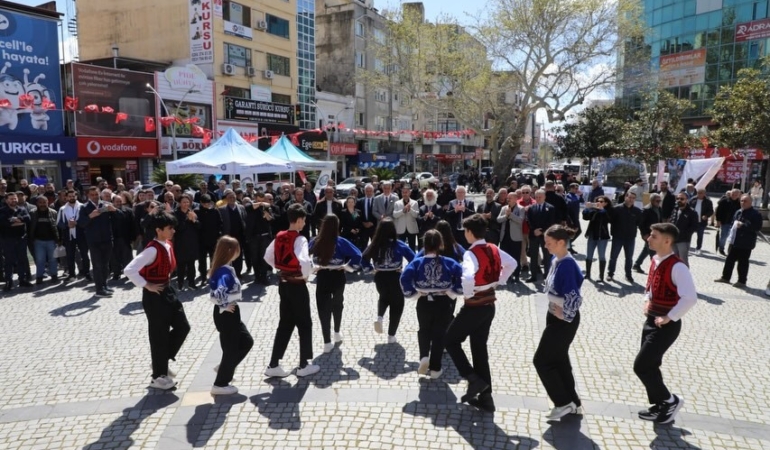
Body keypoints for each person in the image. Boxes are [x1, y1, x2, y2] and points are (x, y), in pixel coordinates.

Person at [445, 214, 516, 413]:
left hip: (475, 306)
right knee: (479, 349)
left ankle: (472, 378)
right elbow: (512, 264)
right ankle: (487, 399)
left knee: (450, 340)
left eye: (465, 231)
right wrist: (498, 281)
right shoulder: (493, 248)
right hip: (489, 305)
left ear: (469, 232)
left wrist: (469, 293)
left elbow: (467, 276)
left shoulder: (470, 253)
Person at [634, 223, 697, 424]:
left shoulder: (678, 267)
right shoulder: (654, 259)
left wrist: (670, 316)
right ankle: (660, 406)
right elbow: (650, 285)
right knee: (651, 365)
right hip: (651, 320)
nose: (648, 238)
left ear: (667, 241)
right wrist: (647, 301)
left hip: (666, 326)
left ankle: (670, 401)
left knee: (641, 366)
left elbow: (690, 297)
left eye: (653, 236)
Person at [124, 211, 191, 390]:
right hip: (154, 295)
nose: (173, 231)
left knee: (183, 326)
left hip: (168, 290)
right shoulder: (152, 249)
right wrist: (146, 285)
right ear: (159, 230)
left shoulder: (168, 244)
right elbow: (130, 269)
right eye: (170, 228)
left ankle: (160, 362)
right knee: (159, 335)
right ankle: (158, 376)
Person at [533, 225, 584, 419]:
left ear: (561, 243)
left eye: (549, 243)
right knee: (560, 360)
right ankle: (574, 402)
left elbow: (575, 296)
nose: (546, 246)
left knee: (541, 361)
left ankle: (563, 402)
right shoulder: (557, 259)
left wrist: (565, 314)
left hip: (563, 320)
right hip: (554, 315)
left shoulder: (568, 264)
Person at [263, 204, 318, 378]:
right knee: (304, 323)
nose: (304, 223)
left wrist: (281, 270)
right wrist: (305, 275)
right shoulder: (300, 239)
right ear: (300, 219)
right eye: (304, 220)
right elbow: (304, 261)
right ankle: (303, 365)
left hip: (283, 285)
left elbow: (267, 255)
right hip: (296, 285)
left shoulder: (279, 236)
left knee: (285, 323)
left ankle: (273, 364)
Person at [400, 229, 463, 380]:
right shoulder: (449, 262)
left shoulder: (417, 262)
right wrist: (453, 292)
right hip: (443, 302)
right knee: (440, 334)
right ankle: (435, 368)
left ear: (424, 245)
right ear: (440, 244)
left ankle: (423, 357)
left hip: (423, 301)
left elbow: (404, 278)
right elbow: (463, 275)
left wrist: (414, 294)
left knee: (424, 330)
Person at [207, 236, 254, 395]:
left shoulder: (224, 268)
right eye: (236, 248)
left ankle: (224, 369)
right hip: (227, 314)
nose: (239, 252)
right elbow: (215, 294)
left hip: (230, 312)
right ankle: (220, 383)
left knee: (245, 341)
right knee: (231, 349)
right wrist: (223, 306)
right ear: (229, 251)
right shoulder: (223, 271)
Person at [309, 214, 362, 353]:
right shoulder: (341, 241)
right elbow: (358, 255)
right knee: (338, 304)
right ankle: (337, 332)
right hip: (338, 276)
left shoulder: (316, 241)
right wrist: (347, 266)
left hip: (322, 276)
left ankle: (327, 341)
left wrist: (312, 266)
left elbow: (303, 255)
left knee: (323, 308)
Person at [362, 218, 416, 343]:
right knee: (397, 305)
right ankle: (391, 335)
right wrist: (406, 271)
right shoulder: (399, 244)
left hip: (379, 277)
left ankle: (380, 317)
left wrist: (370, 269)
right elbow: (414, 258)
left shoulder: (374, 244)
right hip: (395, 276)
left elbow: (363, 258)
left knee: (384, 297)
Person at [714, 194, 763, 287]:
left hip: (746, 243)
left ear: (750, 202)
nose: (743, 203)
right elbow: (733, 223)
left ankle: (742, 281)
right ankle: (725, 277)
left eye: (745, 201)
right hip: (734, 241)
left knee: (743, 262)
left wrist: (743, 225)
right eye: (741, 201)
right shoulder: (738, 212)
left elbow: (757, 227)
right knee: (729, 260)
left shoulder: (756, 214)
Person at [78, 187, 116, 297]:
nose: (95, 196)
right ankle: (99, 289)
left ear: (99, 194)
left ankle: (104, 285)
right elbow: (81, 223)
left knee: (105, 265)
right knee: (97, 265)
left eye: (96, 194)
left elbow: (116, 217)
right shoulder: (84, 207)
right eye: (92, 194)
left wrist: (113, 210)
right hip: (94, 241)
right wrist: (90, 216)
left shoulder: (105, 205)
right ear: (88, 195)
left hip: (107, 239)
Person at [607, 191, 642, 282]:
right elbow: (611, 221)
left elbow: (638, 223)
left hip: (630, 238)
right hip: (618, 237)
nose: (631, 200)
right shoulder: (616, 209)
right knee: (613, 257)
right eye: (630, 197)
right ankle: (610, 274)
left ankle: (628, 275)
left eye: (633, 198)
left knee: (629, 258)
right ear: (625, 197)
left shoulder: (637, 211)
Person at [0, 193, 32, 290]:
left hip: (21, 238)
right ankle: (9, 281)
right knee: (9, 261)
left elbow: (28, 218)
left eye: (15, 199)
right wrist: (18, 222)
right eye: (11, 199)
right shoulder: (2, 211)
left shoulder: (21, 209)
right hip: (8, 239)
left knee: (21, 259)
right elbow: (5, 222)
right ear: (6, 200)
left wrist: (17, 220)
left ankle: (22, 279)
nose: (13, 200)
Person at [525, 189, 556, 283]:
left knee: (546, 256)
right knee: (533, 256)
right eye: (536, 197)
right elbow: (528, 220)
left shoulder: (550, 208)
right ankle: (533, 275)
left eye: (540, 197)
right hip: (533, 235)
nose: (538, 198)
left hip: (545, 236)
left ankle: (547, 275)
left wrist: (542, 231)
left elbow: (551, 222)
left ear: (544, 197)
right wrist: (534, 230)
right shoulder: (531, 208)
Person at [29, 196, 59, 285]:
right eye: (40, 202)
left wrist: (59, 239)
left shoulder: (53, 212)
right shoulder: (32, 213)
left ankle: (54, 275)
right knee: (40, 259)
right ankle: (39, 276)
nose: (42, 204)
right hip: (38, 241)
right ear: (37, 203)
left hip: (51, 240)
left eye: (44, 202)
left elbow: (57, 227)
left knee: (53, 259)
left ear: (47, 202)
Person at [218, 189, 247, 278]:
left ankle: (238, 273)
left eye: (233, 197)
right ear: (226, 198)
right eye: (230, 197)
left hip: (240, 236)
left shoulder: (241, 207)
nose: (232, 199)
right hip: (228, 236)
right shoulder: (222, 210)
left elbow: (245, 219)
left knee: (238, 255)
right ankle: (229, 273)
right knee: (228, 256)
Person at [173, 195, 201, 290]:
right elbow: (177, 228)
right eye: (184, 202)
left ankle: (191, 283)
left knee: (191, 265)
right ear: (180, 203)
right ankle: (180, 283)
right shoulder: (175, 213)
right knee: (181, 265)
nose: (186, 204)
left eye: (187, 202)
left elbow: (199, 227)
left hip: (192, 242)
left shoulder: (192, 212)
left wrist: (194, 220)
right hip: (180, 243)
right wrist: (187, 220)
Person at [582, 195, 612, 282]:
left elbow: (608, 219)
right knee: (589, 255)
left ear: (606, 203)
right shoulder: (593, 210)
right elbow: (585, 217)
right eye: (598, 201)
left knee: (601, 256)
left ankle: (601, 276)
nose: (599, 203)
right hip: (592, 235)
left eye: (601, 201)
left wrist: (602, 209)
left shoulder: (607, 211)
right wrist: (587, 208)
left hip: (602, 236)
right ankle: (588, 274)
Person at [497, 191, 524, 283]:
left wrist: (511, 215)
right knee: (505, 257)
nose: (508, 199)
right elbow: (498, 219)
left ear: (516, 199)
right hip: (505, 237)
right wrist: (506, 215)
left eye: (510, 198)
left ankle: (516, 275)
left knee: (516, 256)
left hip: (515, 237)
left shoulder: (521, 209)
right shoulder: (504, 208)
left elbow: (521, 221)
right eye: (507, 198)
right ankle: (507, 276)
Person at [633, 193, 663, 274]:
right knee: (653, 252)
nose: (659, 202)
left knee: (646, 250)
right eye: (657, 201)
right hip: (648, 234)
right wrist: (644, 234)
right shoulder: (646, 210)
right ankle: (655, 270)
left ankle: (637, 264)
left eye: (660, 201)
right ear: (652, 201)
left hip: (656, 234)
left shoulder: (659, 208)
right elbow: (641, 224)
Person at [669, 193, 699, 266]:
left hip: (683, 240)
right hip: (673, 239)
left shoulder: (692, 212)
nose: (679, 200)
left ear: (686, 200)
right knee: (673, 260)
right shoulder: (675, 209)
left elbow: (694, 226)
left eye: (682, 199)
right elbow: (671, 221)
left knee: (683, 261)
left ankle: (685, 276)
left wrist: (684, 234)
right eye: (678, 198)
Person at [715, 189, 741, 256]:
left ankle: (731, 250)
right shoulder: (724, 201)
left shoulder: (740, 203)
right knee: (724, 236)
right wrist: (718, 220)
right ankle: (721, 248)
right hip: (725, 221)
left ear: (738, 195)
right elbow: (719, 211)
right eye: (733, 194)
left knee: (733, 237)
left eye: (736, 195)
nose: (734, 196)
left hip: (735, 223)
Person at [688, 188, 714, 255]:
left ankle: (698, 248)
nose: (699, 194)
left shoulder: (708, 201)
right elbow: (688, 208)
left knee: (700, 236)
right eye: (698, 193)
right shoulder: (693, 199)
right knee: (688, 235)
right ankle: (687, 248)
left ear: (704, 194)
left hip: (701, 222)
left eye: (701, 193)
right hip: (692, 221)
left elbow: (711, 211)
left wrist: (706, 216)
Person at [393, 186, 420, 251]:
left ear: (409, 193)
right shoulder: (397, 203)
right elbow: (395, 215)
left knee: (412, 248)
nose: (405, 194)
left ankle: (413, 261)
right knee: (400, 249)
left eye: (406, 192)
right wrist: (403, 210)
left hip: (411, 229)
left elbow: (416, 215)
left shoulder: (414, 202)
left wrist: (410, 209)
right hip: (401, 229)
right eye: (403, 192)